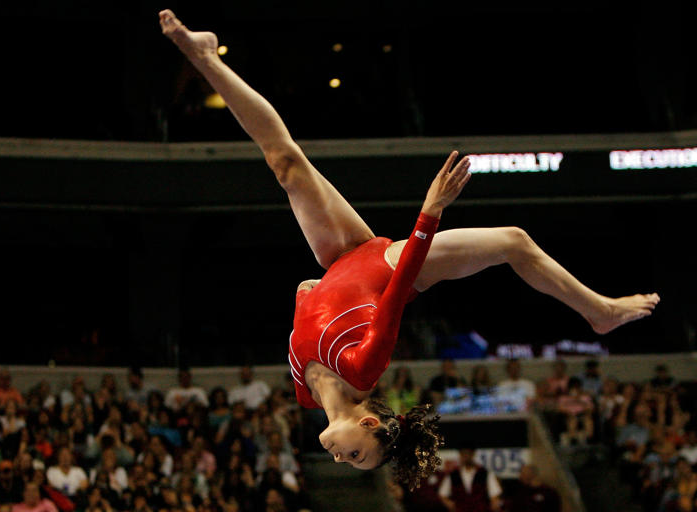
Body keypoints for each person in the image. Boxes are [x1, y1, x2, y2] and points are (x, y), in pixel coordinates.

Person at [159, 8, 660, 487]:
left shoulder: (302, 392)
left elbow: (306, 310)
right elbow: (397, 291)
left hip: (339, 257)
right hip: (390, 265)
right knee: (513, 241)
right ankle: (600, 311)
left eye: (344, 460)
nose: (339, 455)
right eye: (355, 454)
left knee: (285, 162)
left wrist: (306, 293)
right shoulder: (363, 370)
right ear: (373, 427)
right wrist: (430, 211)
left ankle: (206, 58)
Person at [439, 447, 502, 512]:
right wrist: (450, 505)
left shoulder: (484, 473)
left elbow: (494, 495)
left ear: (473, 454)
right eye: (463, 454)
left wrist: (494, 505)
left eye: (468, 453)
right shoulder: (453, 475)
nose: (466, 456)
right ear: (460, 455)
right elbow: (443, 494)